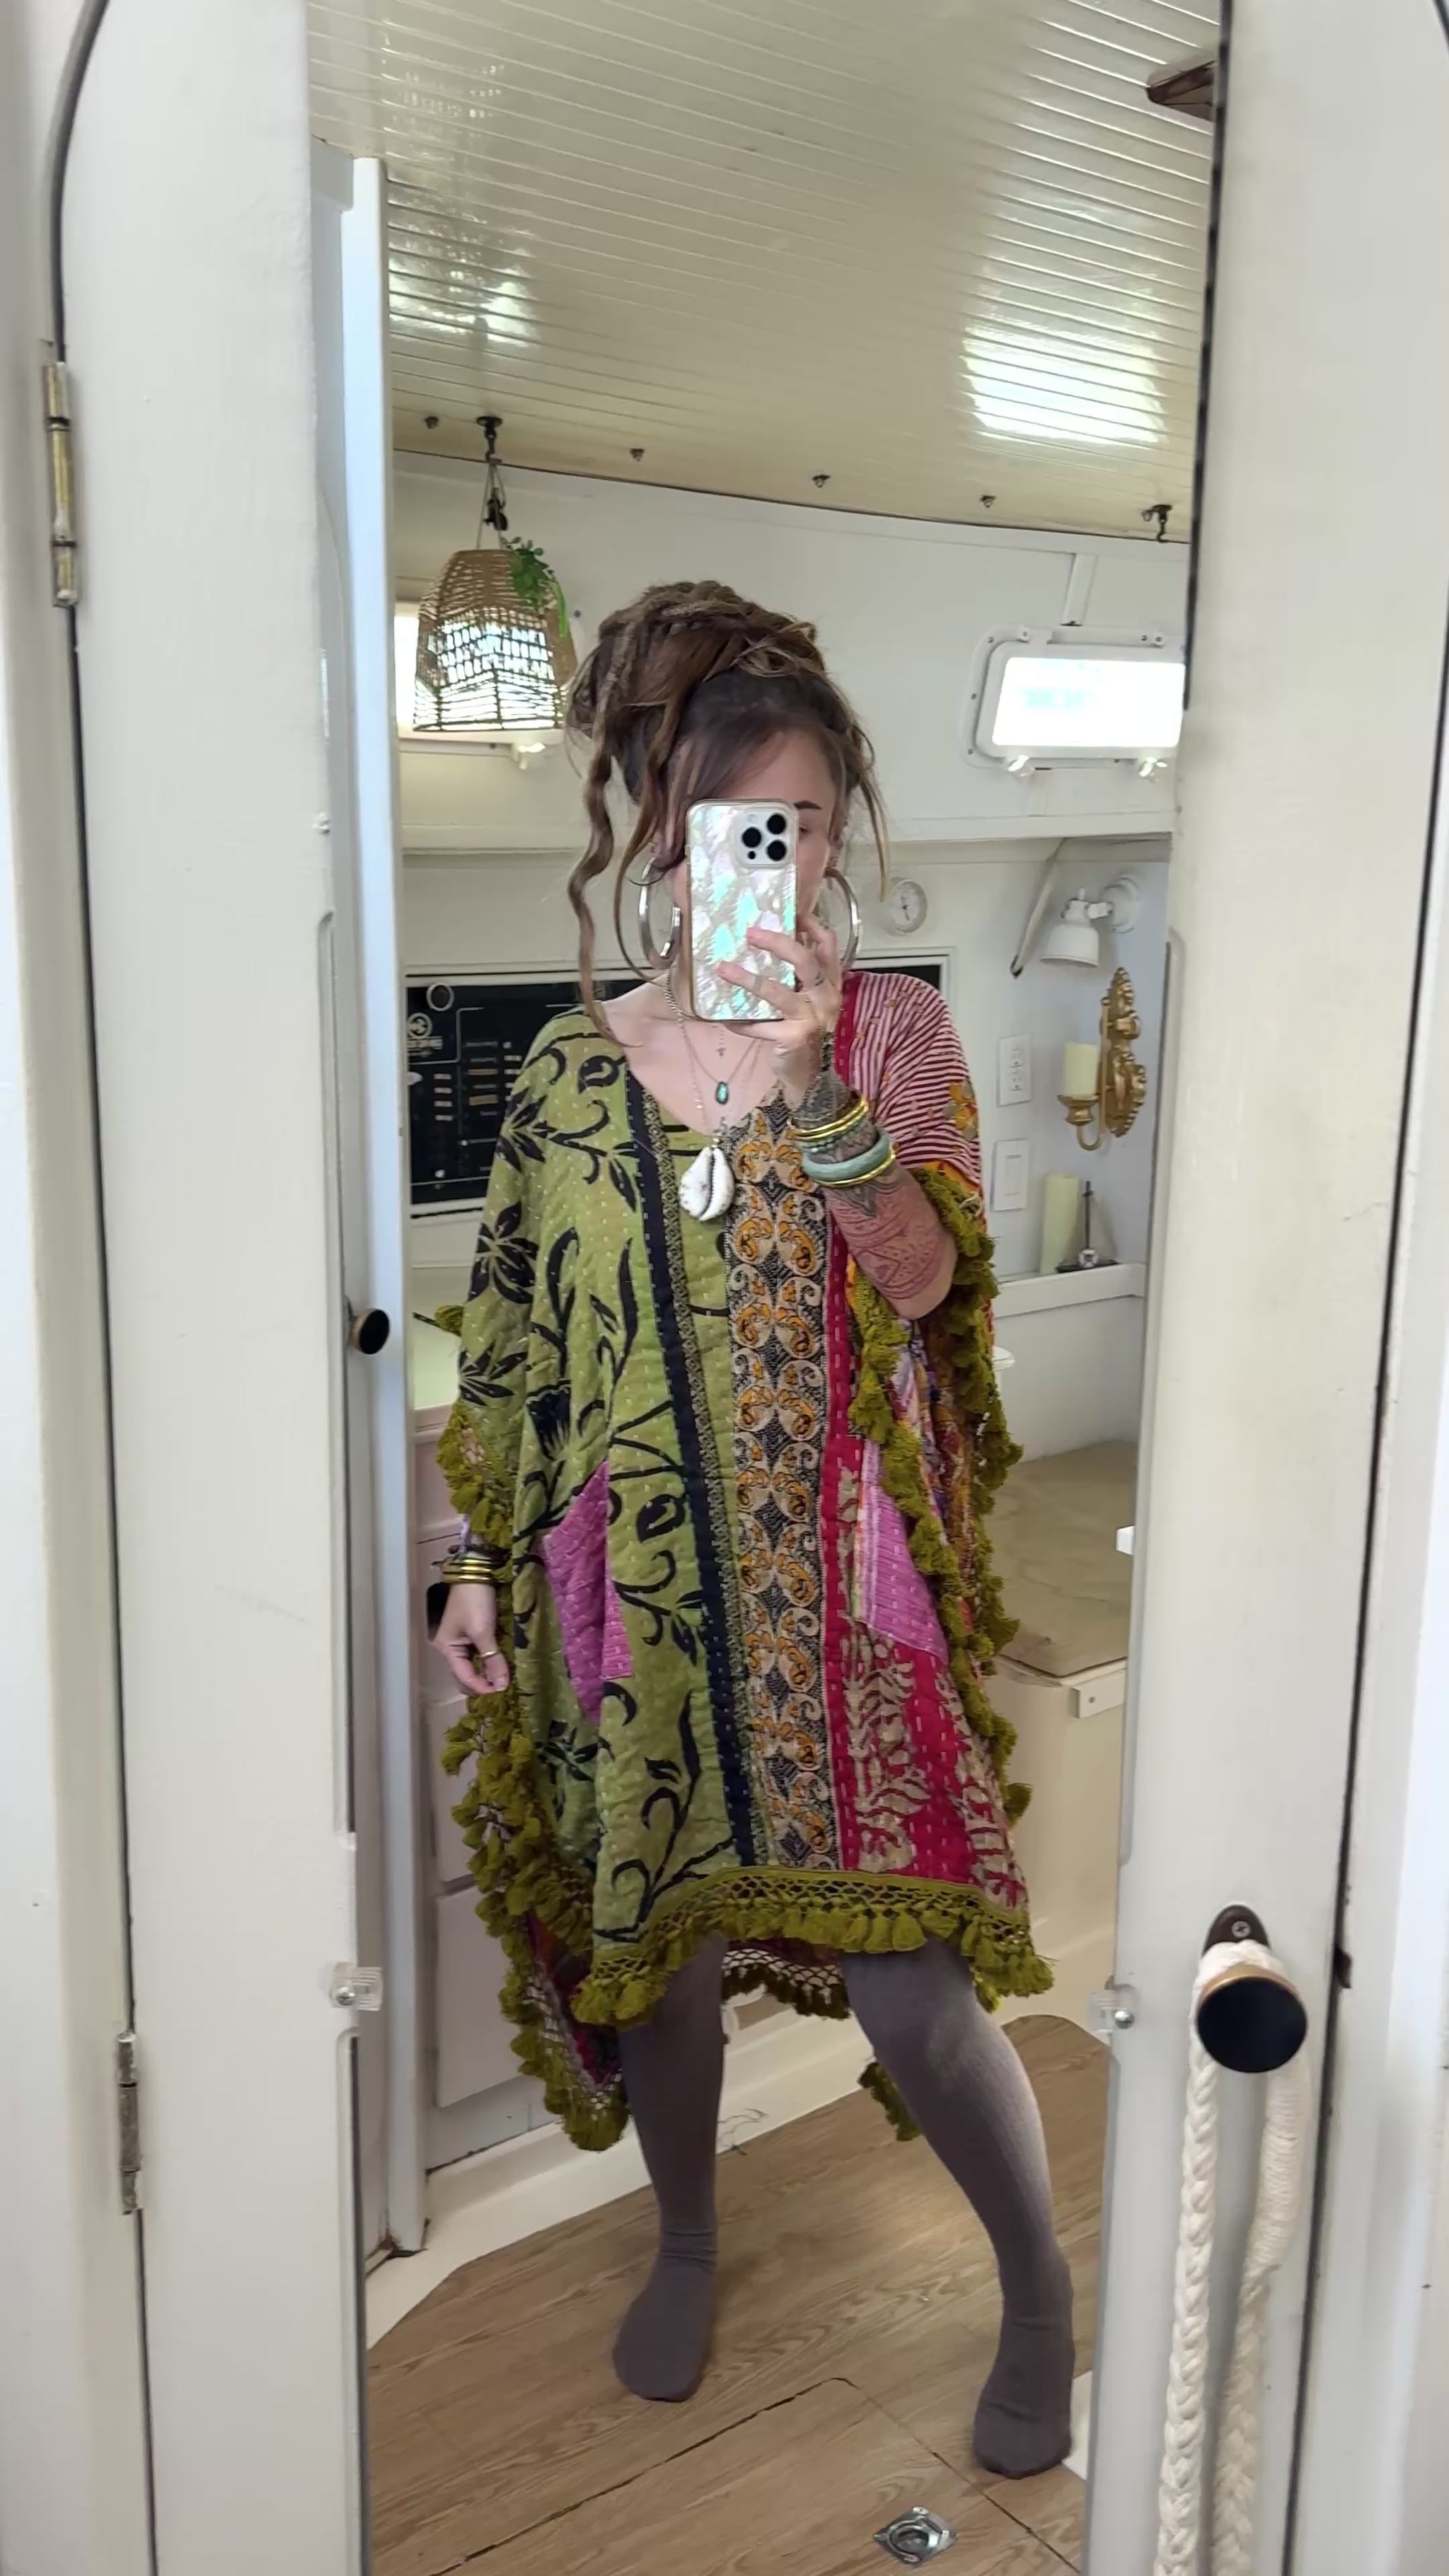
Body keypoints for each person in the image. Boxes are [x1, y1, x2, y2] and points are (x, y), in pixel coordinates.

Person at [433, 580, 1073, 2476]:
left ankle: (1039, 2286)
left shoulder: (894, 1037)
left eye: (794, 824)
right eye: (727, 825)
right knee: (672, 1954)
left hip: (845, 1608)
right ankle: (691, 2234)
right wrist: (470, 1564)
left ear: (839, 825)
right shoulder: (564, 1077)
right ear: (654, 828)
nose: (763, 864)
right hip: (637, 1608)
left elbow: (938, 1290)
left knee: (911, 1984)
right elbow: (518, 1351)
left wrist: (817, 1093)